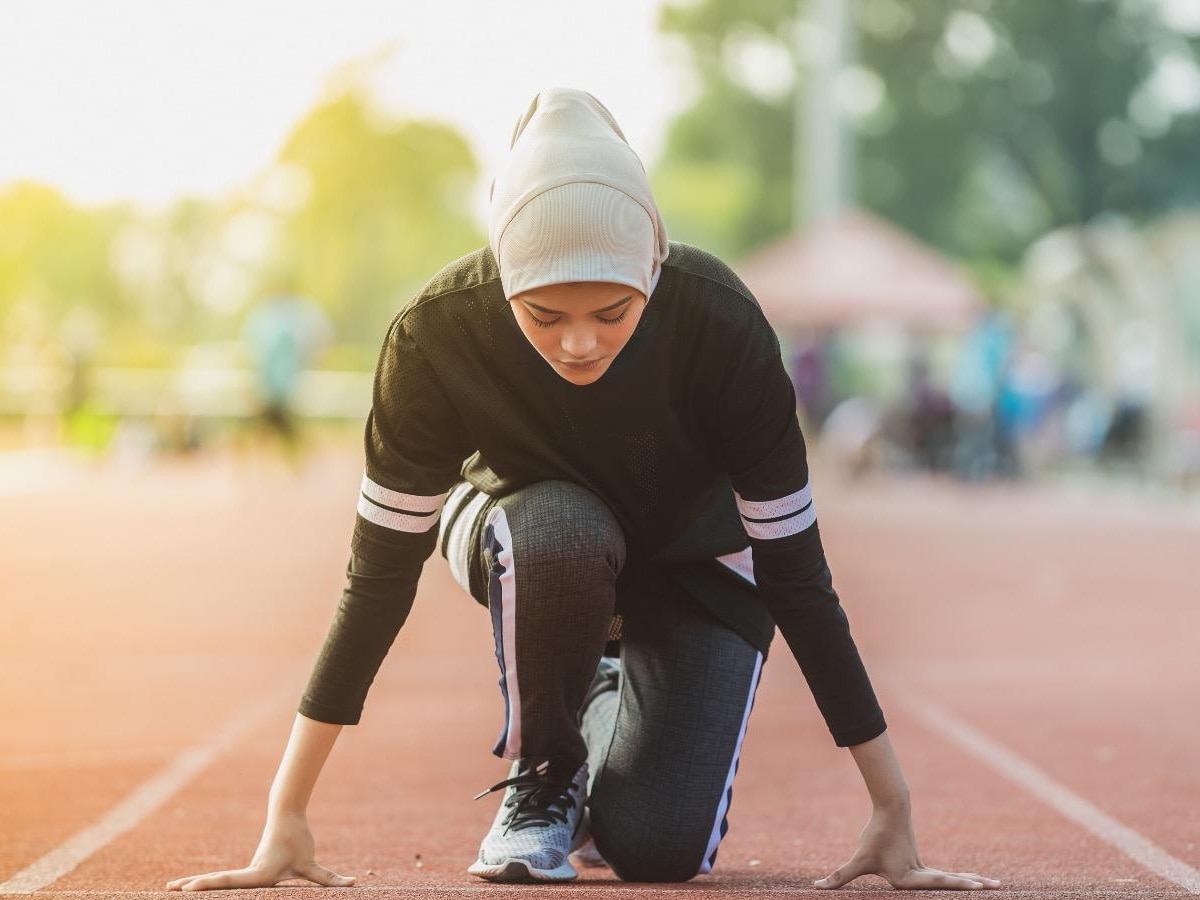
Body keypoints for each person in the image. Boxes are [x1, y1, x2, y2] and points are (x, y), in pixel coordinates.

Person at [166, 88, 1001, 892]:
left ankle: (601, 693)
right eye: (542, 314)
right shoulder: (435, 337)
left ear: (654, 263)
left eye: (612, 311)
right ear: (501, 280)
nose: (577, 344)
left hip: (693, 556)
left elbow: (796, 575)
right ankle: (546, 772)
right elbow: (377, 577)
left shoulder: (723, 327)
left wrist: (891, 805)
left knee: (659, 849)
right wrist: (288, 809)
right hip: (526, 532)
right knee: (561, 532)